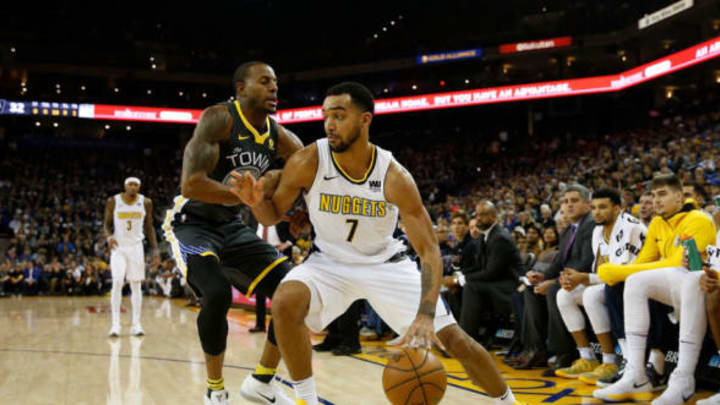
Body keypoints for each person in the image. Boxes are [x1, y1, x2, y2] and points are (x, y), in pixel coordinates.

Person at [229, 82, 527, 405]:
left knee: (455, 340)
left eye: (340, 116)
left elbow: (428, 249)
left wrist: (426, 314)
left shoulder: (393, 175)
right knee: (286, 301)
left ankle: (509, 402)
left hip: (385, 265)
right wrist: (255, 202)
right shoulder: (309, 161)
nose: (330, 124)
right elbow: (272, 216)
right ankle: (306, 400)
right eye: (326, 115)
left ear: (365, 120)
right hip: (328, 263)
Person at [164, 61, 303, 405]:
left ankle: (262, 382)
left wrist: (303, 209)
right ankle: (214, 390)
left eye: (276, 82)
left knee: (295, 294)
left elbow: (308, 166)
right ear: (241, 88)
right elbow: (192, 183)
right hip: (191, 223)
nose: (274, 88)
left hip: (232, 226)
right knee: (216, 292)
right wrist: (242, 196)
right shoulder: (220, 119)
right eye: (264, 81)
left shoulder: (279, 135)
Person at [594, 174, 717, 404]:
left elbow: (682, 262)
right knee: (636, 281)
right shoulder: (658, 223)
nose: (656, 201)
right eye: (653, 195)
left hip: (701, 284)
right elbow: (643, 261)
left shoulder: (698, 218)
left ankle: (683, 379)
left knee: (689, 278)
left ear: (679, 196)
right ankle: (636, 373)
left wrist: (616, 271)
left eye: (662, 195)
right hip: (675, 285)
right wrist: (620, 271)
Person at [554, 188, 646, 384]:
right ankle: (587, 357)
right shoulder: (597, 230)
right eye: (594, 207)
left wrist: (584, 277)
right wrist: (575, 278)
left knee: (591, 295)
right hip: (610, 282)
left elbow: (618, 274)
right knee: (564, 295)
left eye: (603, 207)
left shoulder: (631, 227)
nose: (597, 212)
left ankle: (610, 360)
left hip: (634, 282)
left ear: (618, 208)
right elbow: (602, 272)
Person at [104, 177, 159, 337]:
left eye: (136, 185)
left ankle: (136, 324)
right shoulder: (113, 201)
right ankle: (115, 324)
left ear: (139, 187)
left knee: (136, 285)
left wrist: (155, 250)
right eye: (130, 184)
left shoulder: (146, 202)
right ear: (125, 186)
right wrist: (108, 237)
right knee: (117, 282)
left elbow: (149, 227)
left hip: (136, 247)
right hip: (118, 247)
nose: (133, 187)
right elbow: (106, 224)